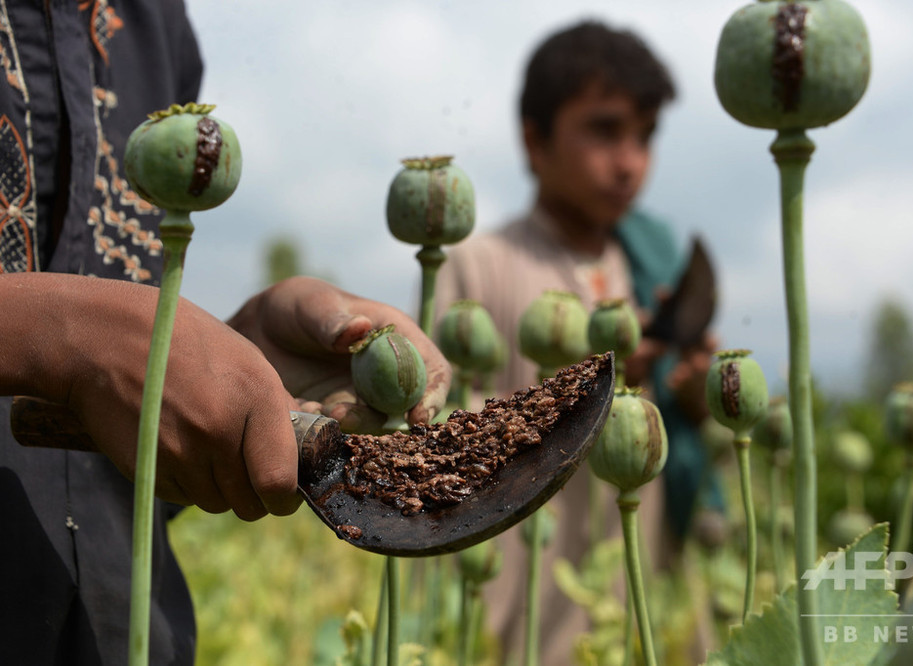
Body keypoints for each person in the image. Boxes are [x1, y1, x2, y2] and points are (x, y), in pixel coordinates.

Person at [0, 3, 449, 664]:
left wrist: (234, 358)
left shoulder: (153, 21)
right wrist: (60, 331)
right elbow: (91, 340)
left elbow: (118, 425)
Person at [435, 20, 718, 664]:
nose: (629, 162)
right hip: (517, 600)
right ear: (535, 141)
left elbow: (679, 439)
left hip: (639, 588)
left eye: (645, 137)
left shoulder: (652, 271)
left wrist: (693, 398)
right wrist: (587, 385)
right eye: (604, 129)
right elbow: (442, 441)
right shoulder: (478, 266)